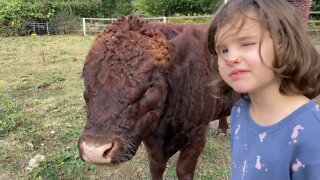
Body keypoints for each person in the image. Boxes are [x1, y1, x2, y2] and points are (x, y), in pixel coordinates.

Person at [206, 0, 320, 179]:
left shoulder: (313, 132)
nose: (231, 58)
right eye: (223, 50)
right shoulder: (239, 112)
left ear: (284, 44)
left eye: (246, 43)